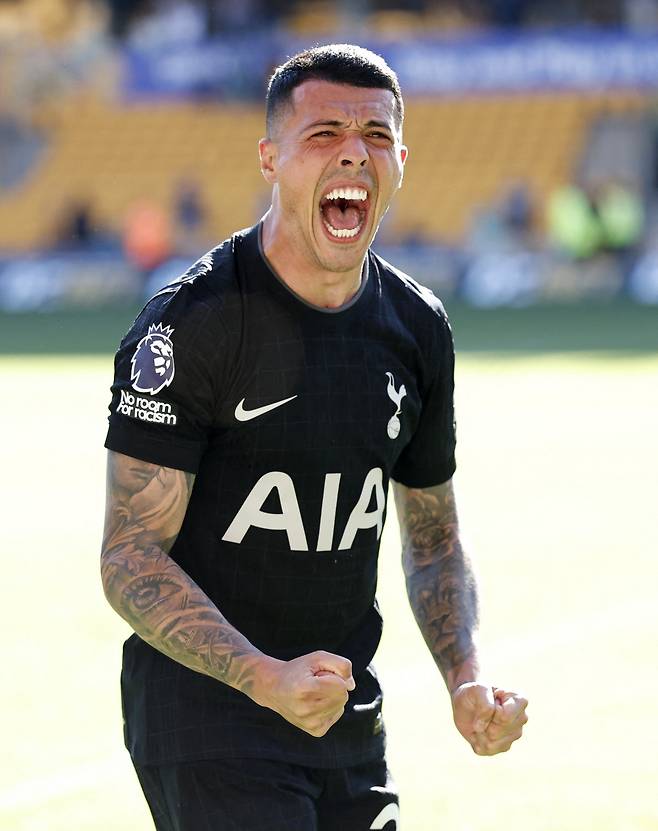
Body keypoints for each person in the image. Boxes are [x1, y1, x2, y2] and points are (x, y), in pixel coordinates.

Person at [101, 44, 528, 830]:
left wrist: (465, 675)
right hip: (209, 713)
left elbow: (432, 535)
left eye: (375, 133)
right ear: (271, 157)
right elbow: (129, 555)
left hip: (342, 716)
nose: (354, 153)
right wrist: (264, 677)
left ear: (402, 158)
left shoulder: (417, 328)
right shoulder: (191, 325)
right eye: (325, 132)